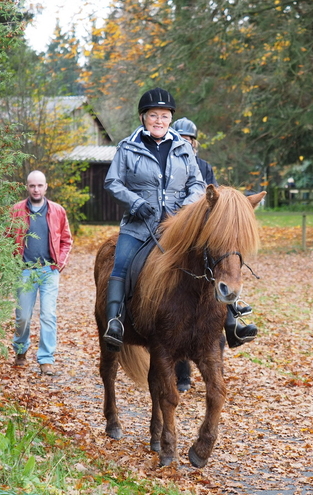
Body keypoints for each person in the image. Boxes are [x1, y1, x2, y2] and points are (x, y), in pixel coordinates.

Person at [102, 88, 206, 351]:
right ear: (143, 117)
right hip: (139, 226)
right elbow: (112, 182)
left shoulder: (183, 148)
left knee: (212, 258)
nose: (159, 121)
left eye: (164, 116)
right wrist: (135, 203)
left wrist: (185, 208)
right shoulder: (128, 147)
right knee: (121, 265)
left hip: (177, 226)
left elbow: (197, 183)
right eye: (153, 115)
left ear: (170, 119)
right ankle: (115, 322)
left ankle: (232, 318)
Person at [170, 117, 259, 391]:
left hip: (204, 232)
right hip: (176, 227)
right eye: (182, 139)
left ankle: (232, 318)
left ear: (195, 143)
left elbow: (217, 200)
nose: (187, 143)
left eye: (190, 140)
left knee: (223, 265)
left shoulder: (204, 167)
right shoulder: (169, 164)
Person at [9, 170, 72, 375]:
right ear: (27, 187)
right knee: (23, 317)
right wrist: (12, 263)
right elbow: (7, 238)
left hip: (48, 271)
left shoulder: (57, 211)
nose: (36, 189)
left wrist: (59, 264)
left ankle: (46, 359)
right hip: (25, 272)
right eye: (32, 185)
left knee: (48, 315)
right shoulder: (16, 210)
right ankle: (20, 350)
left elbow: (66, 240)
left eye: (39, 185)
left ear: (46, 187)